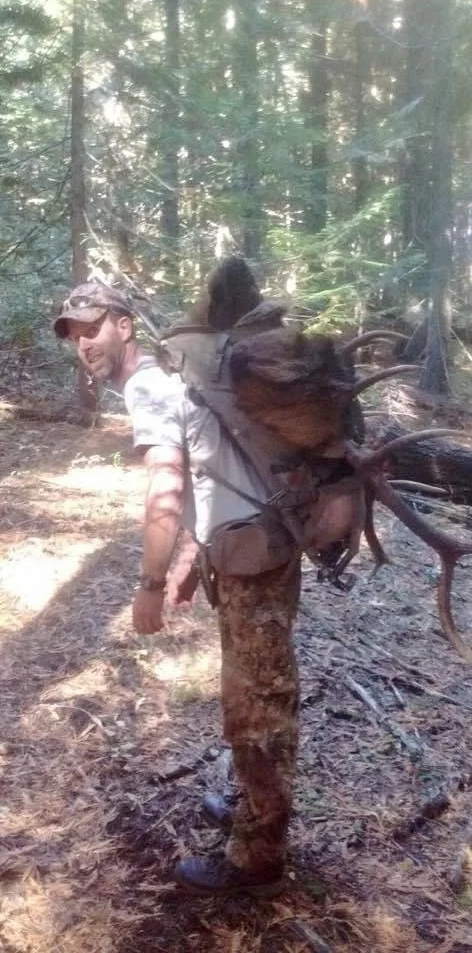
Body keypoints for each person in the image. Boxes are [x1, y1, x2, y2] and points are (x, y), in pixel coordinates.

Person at [53, 263, 301, 898]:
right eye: (74, 335)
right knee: (249, 694)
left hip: (256, 553)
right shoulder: (173, 377)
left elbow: (166, 486)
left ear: (124, 326)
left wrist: (149, 583)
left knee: (257, 705)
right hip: (248, 544)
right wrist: (194, 553)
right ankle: (252, 805)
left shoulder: (148, 386)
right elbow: (207, 466)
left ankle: (258, 858)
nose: (83, 343)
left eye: (92, 329)